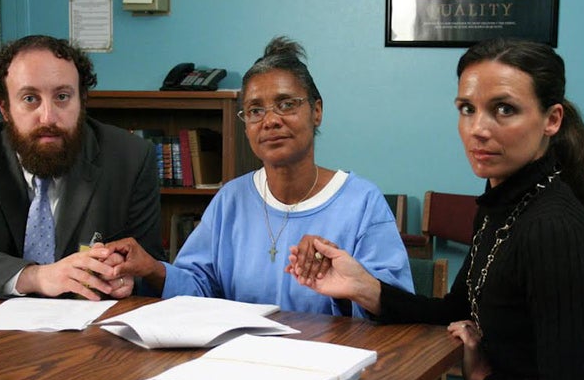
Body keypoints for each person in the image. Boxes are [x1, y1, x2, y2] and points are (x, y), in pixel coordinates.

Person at [290, 38, 584, 380]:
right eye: (467, 108)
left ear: (551, 119)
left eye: (504, 109)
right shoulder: (503, 204)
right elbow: (456, 310)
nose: (478, 128)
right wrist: (365, 287)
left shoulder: (553, 228)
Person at [106, 36, 412, 316]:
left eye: (286, 104)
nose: (270, 121)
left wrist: (345, 287)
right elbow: (199, 291)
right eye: (255, 110)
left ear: (316, 111)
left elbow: (395, 306)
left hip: (328, 361)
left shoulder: (361, 202)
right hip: (238, 362)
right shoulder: (231, 199)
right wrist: (152, 268)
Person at [0, 35, 162, 300]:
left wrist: (127, 278)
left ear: (82, 101)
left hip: (90, 329)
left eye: (62, 96)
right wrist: (34, 276)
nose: (48, 117)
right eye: (30, 99)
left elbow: (150, 266)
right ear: (4, 108)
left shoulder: (130, 157)